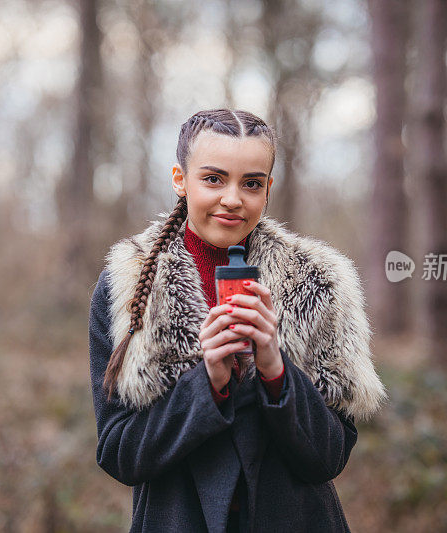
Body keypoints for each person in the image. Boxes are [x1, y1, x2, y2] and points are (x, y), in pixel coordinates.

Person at [89, 109, 387, 532]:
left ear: (268, 189)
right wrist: (206, 383)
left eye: (251, 183)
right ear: (180, 180)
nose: (233, 198)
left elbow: (329, 457)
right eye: (213, 179)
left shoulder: (318, 281)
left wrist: (274, 369)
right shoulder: (129, 283)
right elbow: (120, 453)